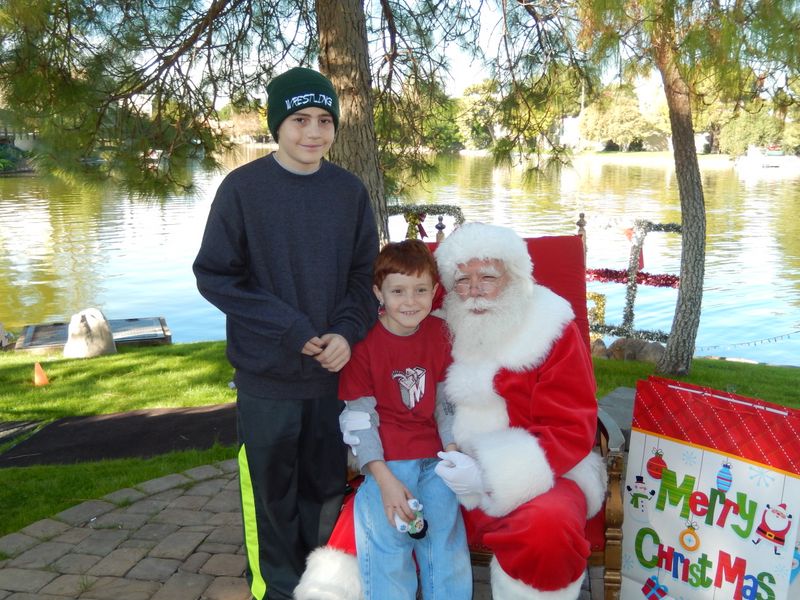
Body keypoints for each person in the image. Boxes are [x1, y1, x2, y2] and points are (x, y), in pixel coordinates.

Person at [295, 222, 606, 600]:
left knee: (547, 528)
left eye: (488, 277)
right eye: (462, 280)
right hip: (435, 462)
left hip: (538, 474)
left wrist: (489, 475)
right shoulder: (436, 318)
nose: (474, 289)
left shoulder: (552, 328)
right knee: (358, 540)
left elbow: (571, 426)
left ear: (515, 276)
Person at [192, 66, 379, 600]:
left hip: (331, 378)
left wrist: (346, 331)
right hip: (267, 379)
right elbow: (216, 275)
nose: (313, 132)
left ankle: (321, 589)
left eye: (324, 120)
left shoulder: (348, 192)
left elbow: (365, 277)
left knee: (324, 493)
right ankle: (274, 592)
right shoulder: (243, 190)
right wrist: (292, 329)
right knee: (273, 500)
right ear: (278, 125)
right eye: (299, 119)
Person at [338, 239, 470, 599]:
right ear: (378, 292)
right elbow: (358, 418)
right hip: (387, 463)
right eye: (398, 291)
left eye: (420, 290)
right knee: (389, 553)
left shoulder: (440, 334)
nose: (410, 301)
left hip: (436, 460)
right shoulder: (363, 344)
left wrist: (454, 450)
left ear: (435, 291)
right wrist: (383, 479)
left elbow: (445, 403)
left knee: (445, 550)